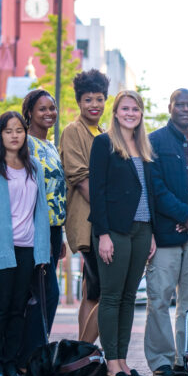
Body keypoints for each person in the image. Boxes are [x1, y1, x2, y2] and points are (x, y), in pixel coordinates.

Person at [0, 111, 51, 376]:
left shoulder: (34, 168)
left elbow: (41, 212)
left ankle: (11, 364)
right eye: (8, 130)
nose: (15, 135)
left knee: (19, 309)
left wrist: (42, 252)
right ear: (0, 135)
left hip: (27, 248)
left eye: (19, 130)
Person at [145, 88, 188, 376]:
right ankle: (161, 360)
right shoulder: (154, 142)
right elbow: (155, 189)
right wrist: (186, 216)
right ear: (170, 107)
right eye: (180, 104)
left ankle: (184, 357)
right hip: (166, 233)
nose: (186, 108)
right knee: (159, 297)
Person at [89, 90, 158, 376]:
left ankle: (123, 362)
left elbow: (149, 192)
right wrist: (102, 235)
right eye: (125, 108)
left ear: (141, 114)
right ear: (115, 113)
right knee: (112, 296)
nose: (130, 113)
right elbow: (97, 192)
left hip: (142, 230)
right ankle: (111, 362)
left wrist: (152, 232)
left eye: (135, 109)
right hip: (114, 230)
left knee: (130, 298)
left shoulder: (145, 145)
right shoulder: (104, 143)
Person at [18, 89, 68, 366]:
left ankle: (35, 353)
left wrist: (59, 235)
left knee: (45, 294)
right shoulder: (25, 143)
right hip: (33, 228)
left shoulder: (50, 146)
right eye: (42, 109)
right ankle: (29, 356)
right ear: (29, 113)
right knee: (43, 293)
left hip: (53, 228)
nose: (49, 112)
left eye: (52, 107)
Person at [60, 69, 109, 343]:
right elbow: (80, 179)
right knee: (104, 291)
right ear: (79, 101)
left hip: (101, 222)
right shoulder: (72, 131)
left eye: (99, 99)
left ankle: (83, 350)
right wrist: (109, 212)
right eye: (89, 99)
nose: (94, 105)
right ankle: (84, 350)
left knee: (93, 290)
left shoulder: (104, 132)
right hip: (88, 223)